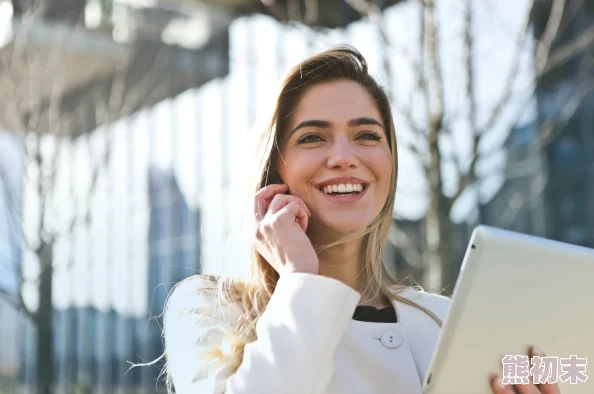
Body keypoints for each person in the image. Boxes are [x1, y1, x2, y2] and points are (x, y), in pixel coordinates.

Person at [161, 46, 560, 394]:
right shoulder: (207, 309)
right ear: (274, 171)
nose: (343, 156)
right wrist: (301, 278)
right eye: (313, 137)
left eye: (367, 135)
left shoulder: (446, 321)